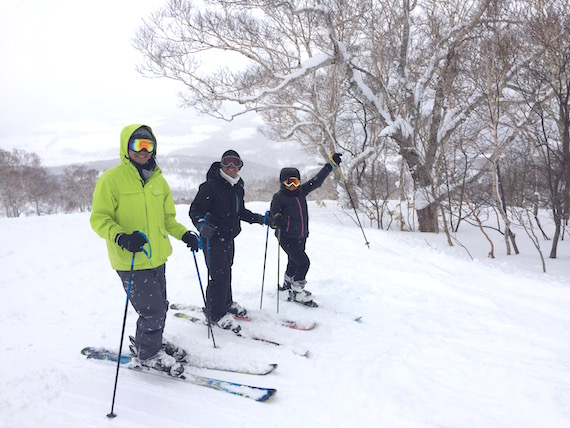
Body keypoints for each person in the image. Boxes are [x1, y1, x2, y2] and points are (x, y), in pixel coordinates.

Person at [90, 124, 199, 376]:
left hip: (158, 257)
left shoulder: (158, 180)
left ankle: (150, 342)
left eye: (148, 145)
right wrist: (121, 237)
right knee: (152, 310)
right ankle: (148, 354)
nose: (143, 150)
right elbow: (99, 219)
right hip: (130, 259)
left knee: (160, 305)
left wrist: (184, 233)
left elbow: (168, 218)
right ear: (126, 147)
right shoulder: (111, 180)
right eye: (137, 145)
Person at [189, 150, 270, 333]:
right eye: (227, 163)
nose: (231, 167)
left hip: (228, 237)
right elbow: (195, 210)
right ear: (222, 165)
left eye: (235, 164)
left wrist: (262, 219)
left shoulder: (237, 187)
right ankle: (215, 313)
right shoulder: (210, 186)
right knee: (219, 275)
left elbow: (240, 212)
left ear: (240, 166)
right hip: (212, 238)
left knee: (226, 271)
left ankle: (226, 302)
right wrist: (201, 225)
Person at [270, 152, 342, 307]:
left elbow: (317, 180)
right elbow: (273, 215)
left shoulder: (301, 191)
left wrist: (331, 164)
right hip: (286, 237)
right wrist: (276, 219)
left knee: (294, 262)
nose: (293, 186)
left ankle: (287, 286)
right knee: (303, 263)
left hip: (301, 235)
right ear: (283, 183)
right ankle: (297, 292)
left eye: (295, 182)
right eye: (289, 183)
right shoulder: (279, 197)